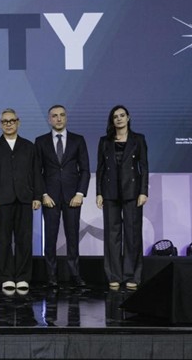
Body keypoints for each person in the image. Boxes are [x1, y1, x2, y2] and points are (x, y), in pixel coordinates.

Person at [0, 108, 43, 293]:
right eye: (5, 121)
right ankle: (5, 277)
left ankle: (23, 277)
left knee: (24, 240)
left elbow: (36, 172)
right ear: (0, 124)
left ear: (18, 122)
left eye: (12, 121)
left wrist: (37, 196)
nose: (8, 124)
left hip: (24, 199)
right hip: (1, 200)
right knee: (2, 240)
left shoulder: (29, 146)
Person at [35, 105, 90, 288]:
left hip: (73, 197)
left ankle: (75, 274)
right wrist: (43, 194)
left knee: (73, 237)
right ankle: (51, 276)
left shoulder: (78, 140)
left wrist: (80, 193)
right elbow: (36, 171)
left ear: (66, 118)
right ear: (49, 119)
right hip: (49, 198)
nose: (58, 119)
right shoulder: (40, 141)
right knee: (50, 238)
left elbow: (85, 169)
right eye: (54, 116)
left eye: (62, 115)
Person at [96, 105, 148, 290]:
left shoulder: (138, 139)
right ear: (112, 120)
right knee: (112, 235)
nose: (119, 118)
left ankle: (132, 275)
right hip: (110, 192)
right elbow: (101, 169)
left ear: (128, 117)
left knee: (133, 235)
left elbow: (144, 167)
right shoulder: (104, 141)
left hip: (132, 192)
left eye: (122, 115)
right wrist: (99, 193)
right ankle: (114, 275)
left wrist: (143, 192)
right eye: (115, 116)